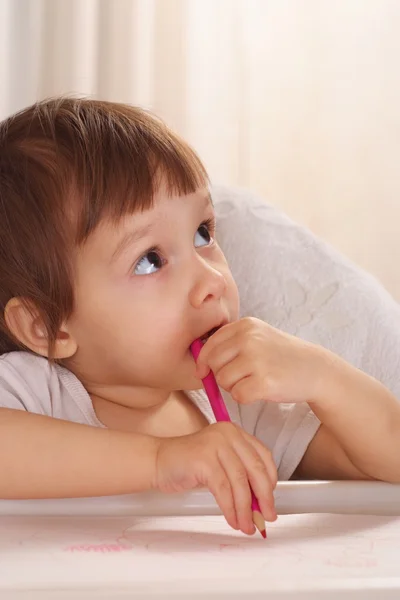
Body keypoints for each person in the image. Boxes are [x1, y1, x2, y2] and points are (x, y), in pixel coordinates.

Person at [0, 98, 399, 537]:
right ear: (49, 328)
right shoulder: (36, 393)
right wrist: (160, 460)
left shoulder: (238, 407)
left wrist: (326, 377)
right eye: (150, 260)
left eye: (203, 233)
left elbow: (389, 463)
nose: (212, 278)